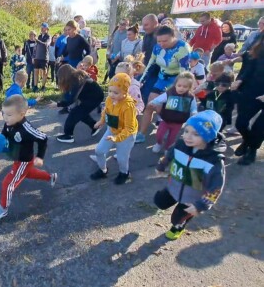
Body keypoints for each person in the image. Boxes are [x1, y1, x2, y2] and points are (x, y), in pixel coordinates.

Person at [154, 110, 225, 240]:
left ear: (208, 137)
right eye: (186, 131)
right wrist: (162, 165)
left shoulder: (213, 160)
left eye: (196, 134)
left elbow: (216, 187)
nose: (187, 136)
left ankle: (178, 227)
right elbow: (169, 153)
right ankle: (172, 201)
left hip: (191, 198)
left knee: (177, 219)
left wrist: (201, 205)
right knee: (159, 201)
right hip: (173, 187)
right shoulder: (181, 144)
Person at [0, 95, 57, 220]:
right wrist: (0, 140)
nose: (5, 117)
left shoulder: (27, 129)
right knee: (29, 173)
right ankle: (51, 177)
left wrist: (40, 157)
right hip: (17, 157)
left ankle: (3, 208)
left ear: (22, 114)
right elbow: (5, 132)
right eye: (3, 113)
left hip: (23, 161)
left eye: (9, 115)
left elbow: (43, 138)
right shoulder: (9, 122)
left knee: (8, 183)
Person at [136, 26, 191, 143]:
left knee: (172, 109)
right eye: (159, 41)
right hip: (162, 79)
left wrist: (179, 90)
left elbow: (185, 72)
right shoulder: (157, 47)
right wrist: (140, 81)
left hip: (178, 81)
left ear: (173, 37)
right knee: (150, 105)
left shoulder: (182, 48)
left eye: (165, 41)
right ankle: (141, 134)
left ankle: (171, 132)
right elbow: (151, 64)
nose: (161, 44)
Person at [90, 73, 137, 185]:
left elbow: (129, 128)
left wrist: (117, 138)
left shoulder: (128, 106)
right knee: (99, 151)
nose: (111, 95)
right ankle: (103, 170)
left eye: (116, 92)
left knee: (122, 158)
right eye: (110, 91)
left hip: (126, 135)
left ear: (125, 92)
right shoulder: (110, 99)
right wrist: (101, 121)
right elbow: (106, 111)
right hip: (112, 129)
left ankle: (124, 173)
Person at [231, 35, 264, 165]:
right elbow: (249, 68)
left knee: (260, 127)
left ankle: (252, 150)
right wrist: (240, 80)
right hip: (252, 90)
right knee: (241, 122)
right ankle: (247, 141)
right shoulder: (259, 49)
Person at [51, 64, 104, 143]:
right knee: (80, 113)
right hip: (93, 96)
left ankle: (68, 135)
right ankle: (94, 126)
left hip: (94, 98)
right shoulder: (76, 76)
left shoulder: (76, 80)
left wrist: (58, 104)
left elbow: (72, 99)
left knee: (74, 114)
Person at [148, 72, 198, 153]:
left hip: (178, 122)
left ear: (189, 87)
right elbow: (160, 99)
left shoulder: (190, 97)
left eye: (185, 87)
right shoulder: (169, 93)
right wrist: (153, 102)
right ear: (175, 84)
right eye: (179, 85)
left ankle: (168, 148)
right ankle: (159, 143)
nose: (181, 88)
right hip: (165, 119)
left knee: (172, 138)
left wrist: (194, 113)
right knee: (159, 134)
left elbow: (193, 108)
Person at [140, 14, 160, 104]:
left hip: (159, 72)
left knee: (148, 96)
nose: (143, 28)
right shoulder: (146, 36)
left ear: (155, 23)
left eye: (146, 25)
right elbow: (144, 53)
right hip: (147, 70)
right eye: (143, 25)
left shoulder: (161, 36)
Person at [32, 23, 51, 92]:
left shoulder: (49, 37)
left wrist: (38, 40)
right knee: (35, 72)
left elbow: (46, 44)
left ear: (47, 29)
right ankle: (35, 86)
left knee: (44, 73)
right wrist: (33, 56)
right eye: (41, 27)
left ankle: (43, 86)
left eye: (43, 28)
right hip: (37, 57)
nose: (42, 29)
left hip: (44, 58)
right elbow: (35, 47)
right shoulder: (39, 36)